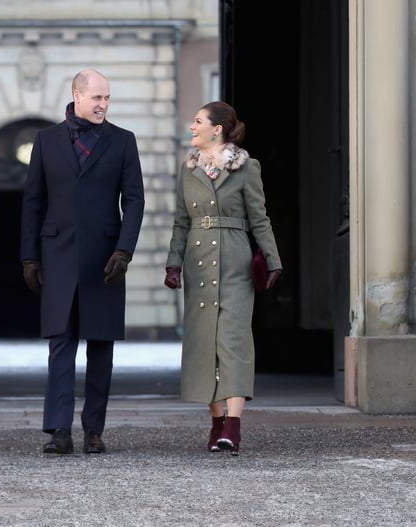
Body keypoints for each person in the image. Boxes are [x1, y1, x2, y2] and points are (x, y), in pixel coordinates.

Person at [20, 69, 145, 455]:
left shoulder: (123, 142)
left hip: (104, 259)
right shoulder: (46, 141)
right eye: (97, 98)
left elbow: (135, 200)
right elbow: (33, 202)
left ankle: (94, 429)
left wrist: (124, 251)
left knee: (101, 347)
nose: (104, 105)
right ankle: (59, 430)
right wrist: (29, 257)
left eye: (107, 98)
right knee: (60, 344)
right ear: (77, 95)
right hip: (56, 258)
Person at [164, 101, 282, 456]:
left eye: (198, 122)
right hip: (199, 264)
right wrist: (173, 264)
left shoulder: (247, 168)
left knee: (233, 340)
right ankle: (217, 425)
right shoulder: (188, 171)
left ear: (217, 129)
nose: (192, 127)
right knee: (203, 344)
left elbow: (260, 218)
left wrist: (273, 259)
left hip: (234, 260)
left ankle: (233, 426)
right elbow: (181, 223)